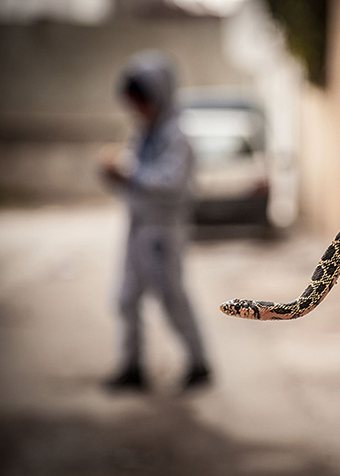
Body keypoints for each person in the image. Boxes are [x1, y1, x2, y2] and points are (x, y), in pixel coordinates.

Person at [101, 51, 211, 392]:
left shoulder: (177, 137)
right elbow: (130, 180)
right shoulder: (143, 134)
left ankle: (199, 364)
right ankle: (132, 367)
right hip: (138, 227)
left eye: (141, 102)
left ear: (158, 97)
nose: (137, 110)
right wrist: (113, 175)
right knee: (125, 298)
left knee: (172, 298)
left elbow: (171, 183)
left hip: (163, 231)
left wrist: (128, 173)